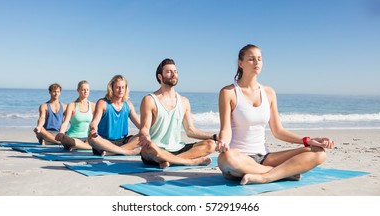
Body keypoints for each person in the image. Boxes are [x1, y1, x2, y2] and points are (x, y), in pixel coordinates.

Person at [216, 44, 335, 185]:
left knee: (318, 153)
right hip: (239, 157)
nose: (256, 62)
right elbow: (226, 129)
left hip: (265, 157)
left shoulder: (269, 93)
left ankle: (267, 177)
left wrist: (307, 141)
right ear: (240, 63)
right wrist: (223, 142)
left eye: (259, 59)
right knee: (226, 157)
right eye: (251, 59)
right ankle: (282, 173)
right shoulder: (228, 92)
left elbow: (278, 131)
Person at [138, 58, 216, 169]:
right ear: (160, 77)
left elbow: (190, 131)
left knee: (211, 145)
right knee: (149, 148)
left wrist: (214, 136)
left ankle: (170, 161)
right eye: (169, 71)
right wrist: (145, 137)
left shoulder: (184, 101)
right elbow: (144, 128)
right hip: (156, 149)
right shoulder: (149, 100)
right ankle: (189, 162)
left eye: (175, 71)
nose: (173, 74)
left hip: (177, 149)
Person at [88, 75, 141, 156]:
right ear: (111, 88)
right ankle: (126, 151)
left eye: (123, 87)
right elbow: (95, 122)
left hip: (122, 141)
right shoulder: (102, 103)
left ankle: (112, 152)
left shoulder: (128, 105)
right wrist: (93, 129)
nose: (120, 90)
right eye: (118, 87)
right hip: (105, 142)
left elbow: (141, 126)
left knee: (142, 136)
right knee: (92, 139)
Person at [55, 80, 96, 150]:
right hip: (73, 137)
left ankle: (79, 146)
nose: (86, 92)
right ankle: (84, 146)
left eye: (87, 90)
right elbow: (65, 122)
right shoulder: (72, 105)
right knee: (66, 139)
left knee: (99, 140)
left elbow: (96, 123)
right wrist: (61, 133)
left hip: (87, 138)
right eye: (83, 90)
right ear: (78, 90)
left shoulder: (93, 105)